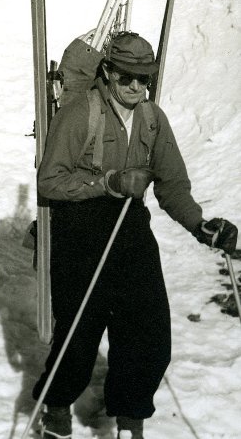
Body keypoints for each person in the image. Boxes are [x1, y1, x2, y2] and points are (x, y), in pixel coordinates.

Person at [32, 31, 237, 439]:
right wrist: (107, 183)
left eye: (143, 79)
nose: (134, 87)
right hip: (79, 227)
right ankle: (57, 408)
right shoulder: (78, 114)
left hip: (129, 226)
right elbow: (49, 182)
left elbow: (172, 185)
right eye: (126, 77)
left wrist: (200, 225)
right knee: (80, 332)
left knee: (149, 331)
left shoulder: (151, 119)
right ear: (107, 72)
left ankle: (130, 420)